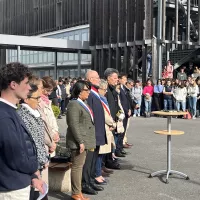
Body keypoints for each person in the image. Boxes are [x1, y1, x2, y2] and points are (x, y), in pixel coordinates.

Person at [0, 62, 43, 200]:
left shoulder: (9, 110)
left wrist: (32, 175)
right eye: (26, 83)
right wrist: (34, 169)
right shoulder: (4, 116)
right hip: (11, 188)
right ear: (13, 85)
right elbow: (15, 156)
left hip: (17, 182)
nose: (30, 87)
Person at [17, 77, 49, 200]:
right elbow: (32, 142)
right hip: (33, 164)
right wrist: (42, 159)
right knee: (34, 194)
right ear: (26, 99)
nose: (39, 101)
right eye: (37, 98)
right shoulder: (24, 115)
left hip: (38, 161)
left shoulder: (33, 112)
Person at [66, 80, 95, 200]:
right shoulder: (74, 104)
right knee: (77, 167)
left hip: (84, 140)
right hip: (79, 142)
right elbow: (73, 124)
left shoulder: (83, 102)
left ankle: (79, 192)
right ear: (79, 91)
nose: (89, 92)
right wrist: (80, 141)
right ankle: (76, 193)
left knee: (80, 166)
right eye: (86, 90)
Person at [82, 70, 106, 195]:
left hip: (98, 132)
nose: (99, 79)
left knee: (93, 158)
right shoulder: (90, 94)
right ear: (91, 79)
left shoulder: (95, 93)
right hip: (93, 133)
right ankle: (86, 183)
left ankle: (91, 180)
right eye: (97, 77)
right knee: (89, 160)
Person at [97, 80, 116, 183]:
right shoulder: (99, 99)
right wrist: (112, 123)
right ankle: (98, 172)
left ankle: (100, 169)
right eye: (104, 90)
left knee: (103, 153)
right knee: (100, 153)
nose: (105, 92)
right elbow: (104, 115)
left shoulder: (103, 98)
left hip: (108, 127)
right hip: (104, 127)